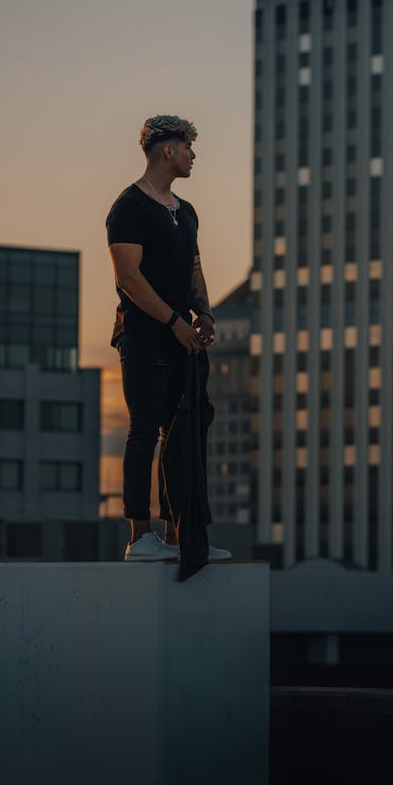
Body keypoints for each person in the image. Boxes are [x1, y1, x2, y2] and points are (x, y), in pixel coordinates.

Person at [106, 114, 231, 562]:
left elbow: (194, 269)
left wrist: (204, 313)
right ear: (167, 150)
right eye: (188, 147)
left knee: (184, 437)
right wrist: (174, 322)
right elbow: (129, 280)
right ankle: (140, 538)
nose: (194, 155)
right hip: (143, 340)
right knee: (144, 433)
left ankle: (183, 539)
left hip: (182, 344)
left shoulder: (187, 211)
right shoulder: (129, 207)